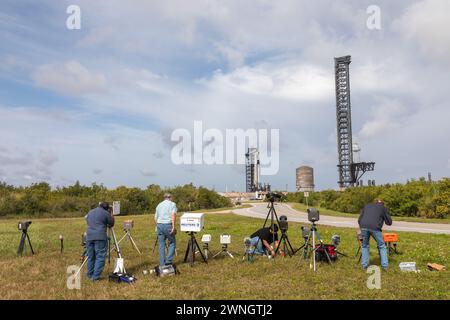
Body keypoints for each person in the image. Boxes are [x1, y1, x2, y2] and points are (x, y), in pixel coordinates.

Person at [358, 199, 392, 270]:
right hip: (375, 227)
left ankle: (364, 265)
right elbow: (389, 222)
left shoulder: (367, 205)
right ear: (382, 204)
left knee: (365, 245)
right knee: (382, 245)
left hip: (363, 226)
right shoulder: (382, 207)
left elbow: (359, 219)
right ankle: (385, 266)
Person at [85, 202, 115, 280]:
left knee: (91, 257)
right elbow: (111, 223)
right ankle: (95, 277)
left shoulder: (90, 211)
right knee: (100, 257)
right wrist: (111, 214)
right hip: (100, 237)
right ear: (107, 208)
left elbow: (87, 221)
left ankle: (89, 274)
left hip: (89, 236)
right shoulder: (105, 213)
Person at [155, 193, 177, 266]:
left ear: (164, 198)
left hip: (159, 225)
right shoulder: (172, 204)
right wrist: (173, 226)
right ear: (170, 197)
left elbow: (155, 217)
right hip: (168, 224)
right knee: (172, 242)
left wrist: (157, 226)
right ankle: (168, 261)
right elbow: (173, 215)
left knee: (161, 245)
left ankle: (162, 263)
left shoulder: (159, 205)